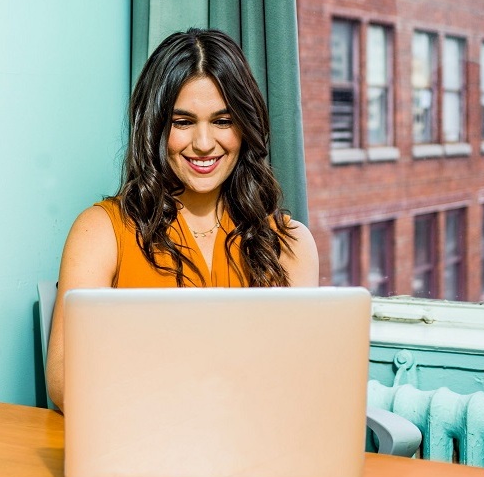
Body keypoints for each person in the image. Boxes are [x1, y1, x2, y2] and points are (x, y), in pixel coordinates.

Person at [46, 28, 319, 408]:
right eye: (183, 121)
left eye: (223, 121)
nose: (204, 143)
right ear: (156, 128)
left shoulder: (291, 243)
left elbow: (300, 383)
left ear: (245, 126)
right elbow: (63, 382)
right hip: (141, 444)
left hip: (256, 452)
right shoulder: (100, 231)